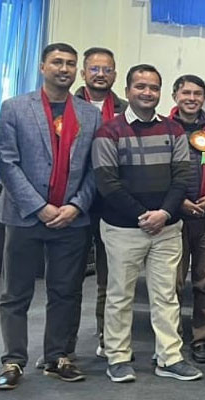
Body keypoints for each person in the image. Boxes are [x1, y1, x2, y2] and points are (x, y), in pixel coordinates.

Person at [0, 43, 101, 390]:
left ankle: (58, 357)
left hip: (71, 218)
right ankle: (13, 360)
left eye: (70, 63)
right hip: (24, 216)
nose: (64, 69)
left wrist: (76, 206)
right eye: (57, 62)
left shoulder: (90, 114)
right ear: (42, 66)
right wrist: (39, 206)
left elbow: (95, 168)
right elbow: (6, 162)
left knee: (65, 292)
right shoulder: (14, 108)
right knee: (16, 293)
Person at [91, 64, 202, 383]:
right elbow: (107, 183)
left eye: (153, 87)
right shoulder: (108, 131)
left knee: (167, 296)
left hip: (167, 229)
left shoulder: (174, 130)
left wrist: (163, 214)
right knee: (119, 295)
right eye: (140, 86)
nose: (147, 92)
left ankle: (169, 357)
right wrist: (143, 215)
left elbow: (182, 178)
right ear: (128, 91)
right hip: (123, 229)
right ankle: (118, 357)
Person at [71, 46, 127, 359]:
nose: (101, 74)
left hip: (112, 205)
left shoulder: (126, 108)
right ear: (84, 73)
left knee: (111, 279)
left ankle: (107, 338)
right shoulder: (67, 106)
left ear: (115, 74)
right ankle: (62, 345)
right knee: (68, 280)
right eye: (94, 69)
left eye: (107, 69)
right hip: (75, 204)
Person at [169, 75, 205, 365]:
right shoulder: (163, 128)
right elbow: (157, 173)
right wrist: (178, 202)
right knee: (172, 283)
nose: (192, 98)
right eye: (186, 92)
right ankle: (170, 339)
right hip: (173, 218)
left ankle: (201, 338)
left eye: (197, 93)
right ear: (175, 96)